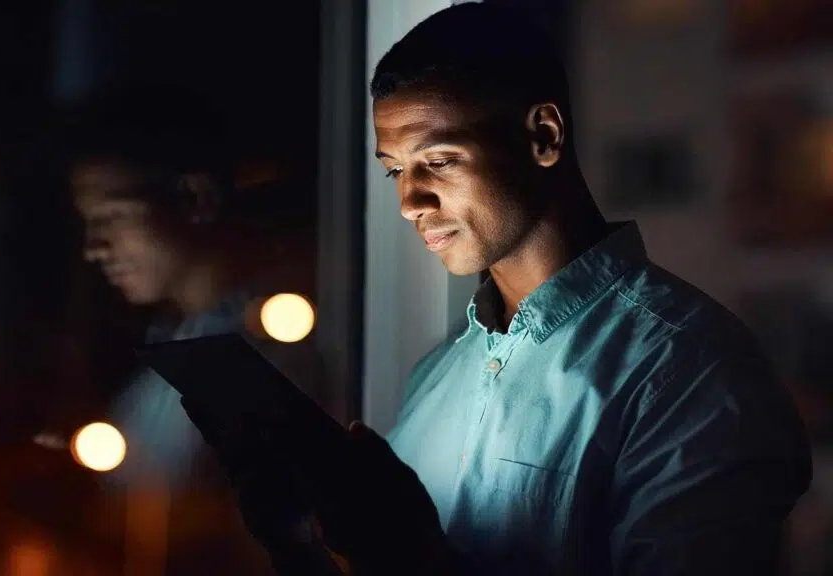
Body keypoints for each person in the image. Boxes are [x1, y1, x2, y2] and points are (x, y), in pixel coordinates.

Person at [181, 4, 812, 575]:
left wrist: (416, 557)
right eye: (396, 170)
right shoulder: (435, 374)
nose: (409, 202)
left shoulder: (693, 376)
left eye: (439, 160)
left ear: (543, 136)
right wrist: (295, 542)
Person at [65, 81, 326, 575]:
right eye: (87, 223)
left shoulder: (284, 343)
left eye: (113, 216)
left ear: (194, 196)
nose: (94, 247)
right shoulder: (168, 361)